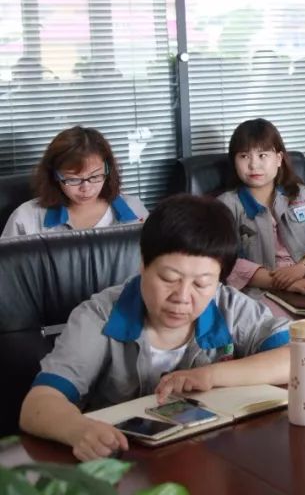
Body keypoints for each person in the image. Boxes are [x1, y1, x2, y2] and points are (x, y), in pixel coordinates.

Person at [19, 194, 291, 462]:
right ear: (143, 263)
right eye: (169, 278)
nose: (182, 297)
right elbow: (38, 403)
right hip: (121, 462)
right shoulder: (99, 316)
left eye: (201, 284)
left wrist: (211, 375)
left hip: (205, 458)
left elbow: (298, 356)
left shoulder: (229, 306)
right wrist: (79, 430)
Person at [217, 119, 305, 361]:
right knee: (298, 342)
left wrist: (300, 270)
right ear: (234, 161)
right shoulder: (226, 206)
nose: (254, 164)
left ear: (279, 158)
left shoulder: (301, 195)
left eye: (263, 155)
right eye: (244, 156)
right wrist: (282, 281)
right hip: (257, 289)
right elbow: (226, 261)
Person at [2, 126, 147, 239]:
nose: (86, 188)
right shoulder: (26, 219)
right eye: (73, 179)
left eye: (95, 176)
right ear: (54, 176)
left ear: (108, 171)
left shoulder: (134, 210)